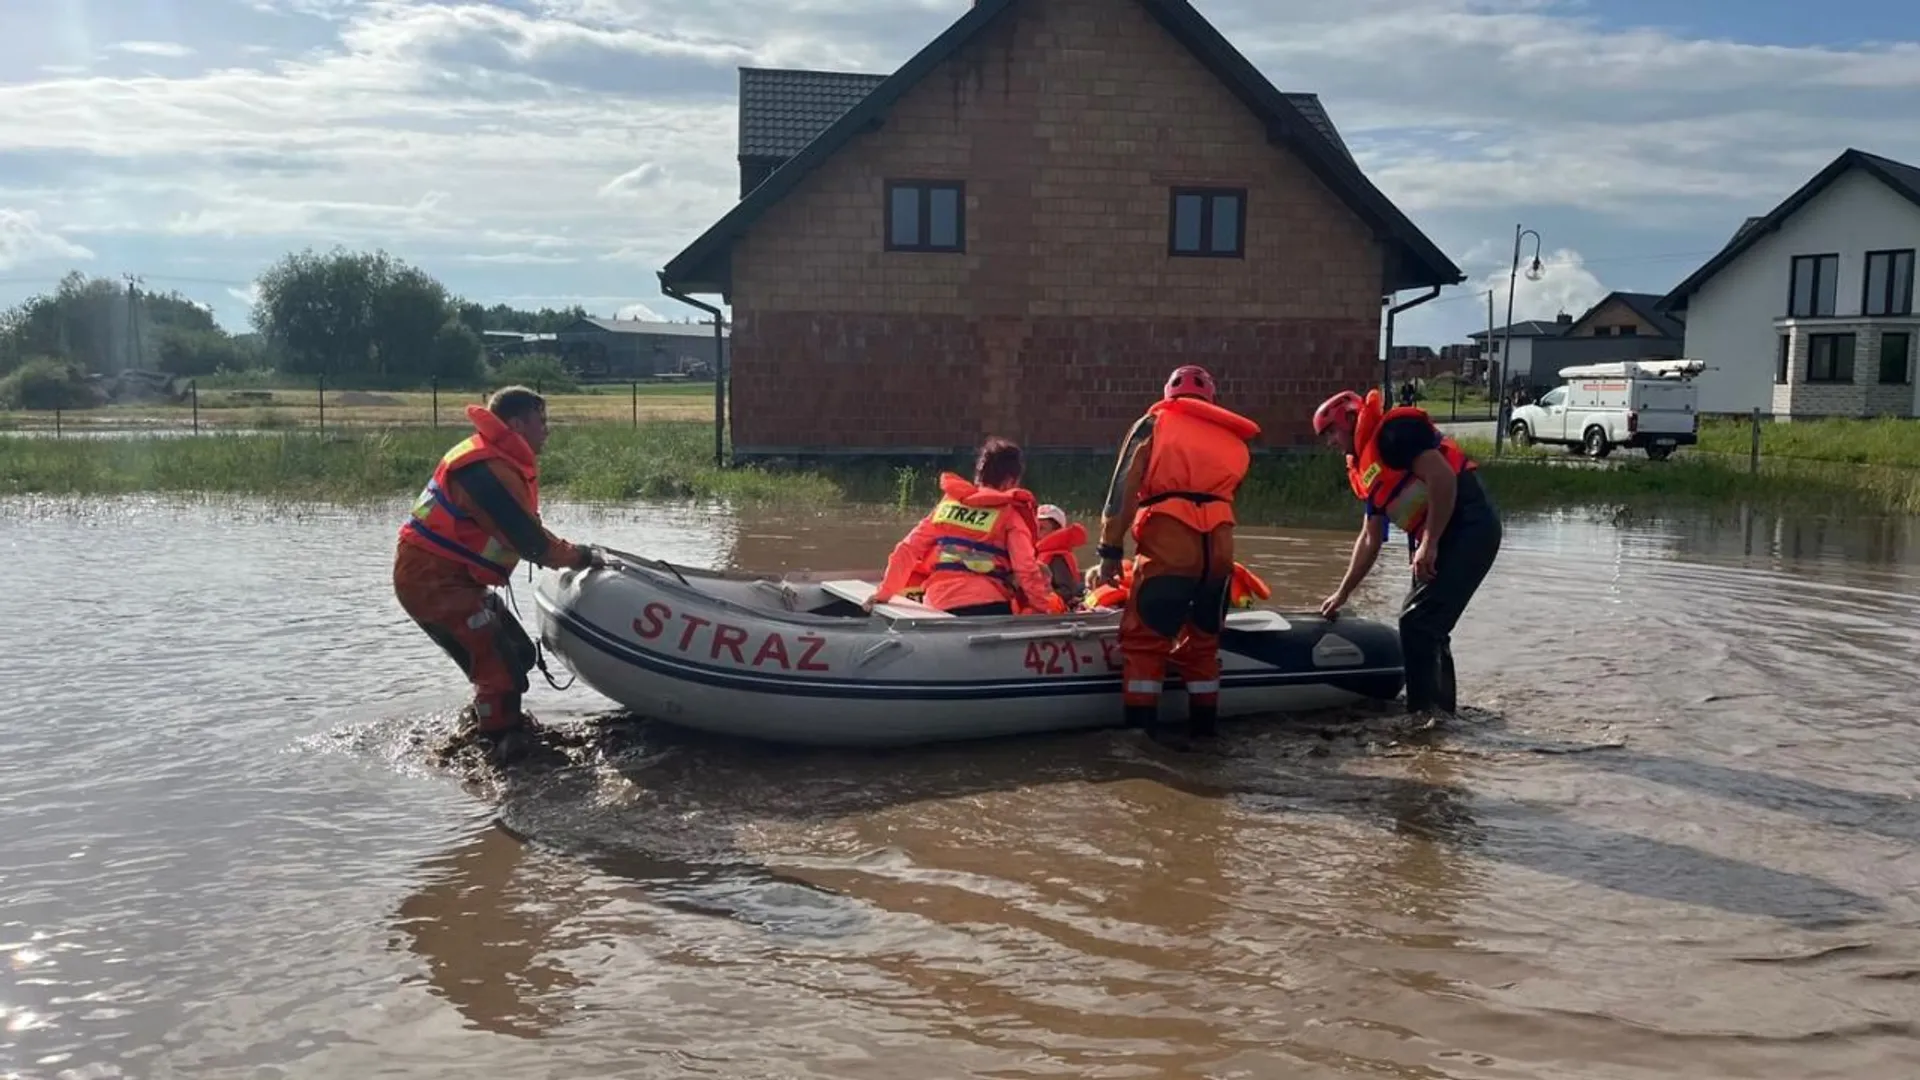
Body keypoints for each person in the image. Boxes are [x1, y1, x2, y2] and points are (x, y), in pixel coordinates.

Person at [393, 385, 603, 761]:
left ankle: (486, 724)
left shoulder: (496, 461)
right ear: (517, 423)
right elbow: (533, 543)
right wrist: (581, 557)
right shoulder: (484, 470)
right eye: (542, 422)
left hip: (456, 580)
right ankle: (500, 748)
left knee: (519, 654)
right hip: (432, 583)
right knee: (501, 671)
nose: (547, 431)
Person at [1093, 364, 1260, 743]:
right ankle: (1205, 736)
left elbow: (1124, 487)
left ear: (1169, 394)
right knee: (1203, 645)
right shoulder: (1233, 438)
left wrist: (1109, 548)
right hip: (1219, 548)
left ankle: (1140, 739)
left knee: (1144, 642)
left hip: (1171, 541)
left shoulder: (1154, 423)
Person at [1312, 387, 1502, 718]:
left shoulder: (1394, 434)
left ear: (1352, 418)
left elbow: (1443, 477)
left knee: (1417, 622)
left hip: (1471, 527)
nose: (1330, 442)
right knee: (1425, 624)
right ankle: (1439, 717)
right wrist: (1342, 593)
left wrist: (1429, 543)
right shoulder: (1365, 467)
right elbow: (1370, 538)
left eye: (1331, 432)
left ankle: (1424, 720)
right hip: (1447, 535)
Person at [868, 437, 1064, 616]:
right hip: (987, 606)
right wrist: (1042, 608)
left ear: (979, 477)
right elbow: (1026, 569)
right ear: (1011, 481)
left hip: (938, 606)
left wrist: (884, 593)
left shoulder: (946, 509)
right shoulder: (1010, 515)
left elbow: (907, 549)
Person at [1034, 504, 1088, 611]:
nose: (1036, 533)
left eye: (1042, 528)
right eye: (1035, 528)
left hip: (1054, 612)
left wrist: (1037, 595)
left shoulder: (1057, 558)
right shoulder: (1040, 553)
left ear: (1057, 532)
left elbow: (1067, 591)